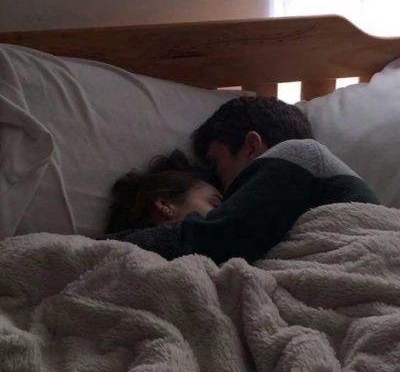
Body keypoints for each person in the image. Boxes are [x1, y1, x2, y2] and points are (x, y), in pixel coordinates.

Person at [103, 96, 379, 264]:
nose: (222, 185)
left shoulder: (300, 154)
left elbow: (216, 238)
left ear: (251, 146)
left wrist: (98, 247)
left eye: (216, 164)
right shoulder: (282, 216)